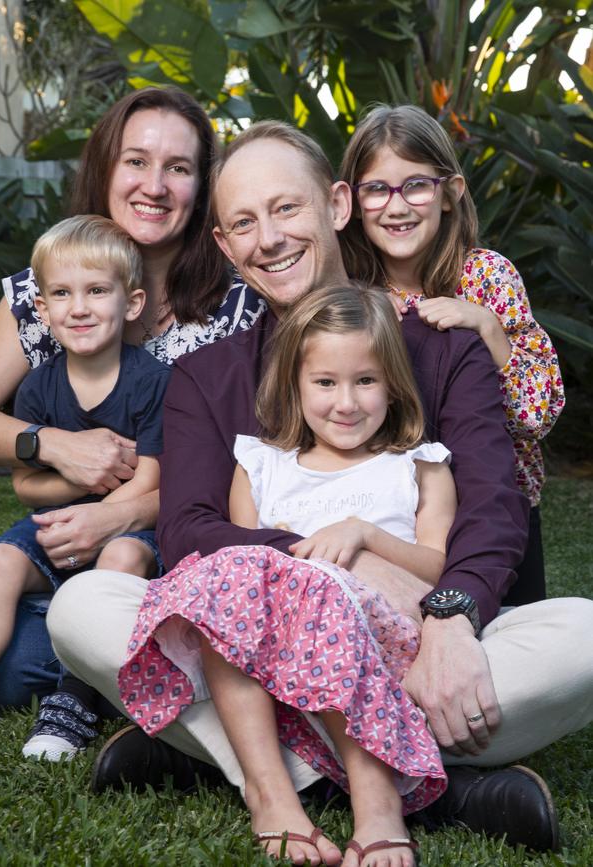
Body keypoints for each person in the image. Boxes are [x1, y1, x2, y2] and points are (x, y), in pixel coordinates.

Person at [47, 121, 593, 854]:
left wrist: (451, 617)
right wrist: (345, 566)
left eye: (287, 209)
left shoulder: (441, 343)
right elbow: (189, 531)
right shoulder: (207, 379)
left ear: (338, 205)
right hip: (257, 645)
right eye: (244, 222)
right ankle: (432, 787)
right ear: (225, 245)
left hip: (413, 636)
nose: (268, 238)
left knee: (584, 636)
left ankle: (228, 759)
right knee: (82, 605)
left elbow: (494, 507)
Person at [0, 85, 264, 711]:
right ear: (106, 168)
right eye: (137, 161)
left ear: (202, 189)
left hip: (170, 542)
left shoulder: (236, 307)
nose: (155, 185)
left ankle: (140, 644)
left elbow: (246, 463)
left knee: (52, 664)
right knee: (9, 676)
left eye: (179, 168)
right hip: (63, 542)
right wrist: (51, 444)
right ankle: (89, 634)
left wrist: (117, 516)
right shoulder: (48, 291)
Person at [118, 283, 456, 866]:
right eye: (325, 383)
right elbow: (239, 568)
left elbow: (435, 571)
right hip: (270, 666)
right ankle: (272, 794)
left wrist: (365, 535)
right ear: (295, 388)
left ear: (395, 385)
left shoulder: (417, 468)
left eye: (366, 381)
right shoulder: (261, 466)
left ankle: (377, 805)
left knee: (307, 583)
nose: (345, 403)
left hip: (383, 653)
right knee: (226, 579)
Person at [0, 215, 170, 762]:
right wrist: (67, 488)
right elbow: (26, 485)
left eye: (97, 291)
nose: (80, 307)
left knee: (116, 554)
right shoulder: (39, 387)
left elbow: (152, 477)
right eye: (63, 294)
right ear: (41, 310)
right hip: (59, 524)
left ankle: (74, 701)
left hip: (131, 528)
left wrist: (94, 523)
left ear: (131, 303)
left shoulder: (153, 381)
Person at [339, 104, 564, 605]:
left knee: (508, 651)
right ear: (352, 201)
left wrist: (487, 327)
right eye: (377, 189)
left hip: (499, 510)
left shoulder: (487, 276)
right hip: (395, 515)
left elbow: (536, 416)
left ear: (450, 193)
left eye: (415, 185)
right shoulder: (352, 291)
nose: (396, 207)